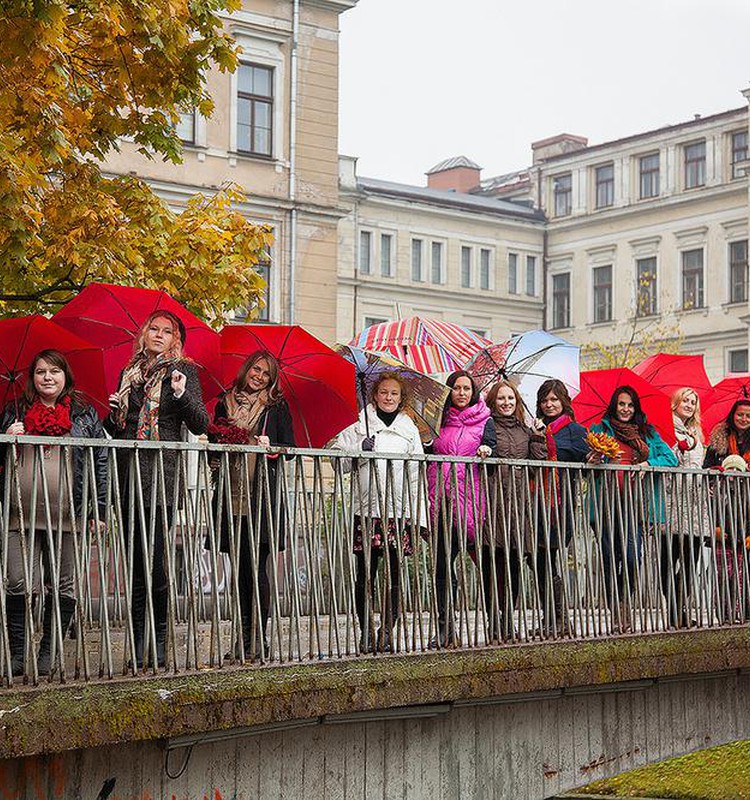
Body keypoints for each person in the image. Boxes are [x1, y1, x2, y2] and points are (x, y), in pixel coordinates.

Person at [105, 310, 208, 669]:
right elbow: (119, 430)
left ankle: (160, 638)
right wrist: (113, 411)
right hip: (128, 477)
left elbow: (200, 422)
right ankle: (137, 643)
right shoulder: (128, 373)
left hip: (161, 478)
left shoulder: (183, 372)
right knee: (136, 563)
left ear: (176, 339)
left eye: (167, 331)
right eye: (154, 328)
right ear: (144, 334)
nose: (159, 335)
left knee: (157, 561)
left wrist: (180, 394)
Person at [1, 350, 107, 677]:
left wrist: (98, 508)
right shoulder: (14, 411)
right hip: (21, 513)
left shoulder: (85, 415)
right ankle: (18, 653)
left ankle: (51, 649)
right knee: (18, 581)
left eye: (55, 371)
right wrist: (8, 438)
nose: (48, 377)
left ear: (66, 377)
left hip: (68, 515)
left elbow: (99, 462)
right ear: (32, 377)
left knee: (63, 585)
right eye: (41, 371)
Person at [208, 350, 295, 660]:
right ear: (246, 370)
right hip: (230, 496)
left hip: (262, 499)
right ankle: (241, 639)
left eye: (266, 374)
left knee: (257, 571)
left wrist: (271, 448)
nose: (259, 376)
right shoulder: (223, 402)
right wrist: (218, 448)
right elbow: (212, 447)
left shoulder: (275, 408)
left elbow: (291, 448)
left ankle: (258, 639)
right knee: (239, 571)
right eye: (256, 370)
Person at [335, 372, 426, 653]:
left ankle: (387, 629)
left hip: (398, 514)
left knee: (395, 574)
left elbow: (416, 476)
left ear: (401, 398)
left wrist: (419, 517)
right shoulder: (359, 425)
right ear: (375, 395)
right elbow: (338, 462)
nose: (389, 397)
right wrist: (358, 449)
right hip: (368, 510)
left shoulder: (409, 428)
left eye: (394, 394)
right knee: (366, 575)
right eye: (384, 392)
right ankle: (366, 631)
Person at [590, 385, 677, 633]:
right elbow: (588, 458)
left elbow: (670, 459)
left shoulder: (647, 433)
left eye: (630, 405)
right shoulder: (599, 429)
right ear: (614, 406)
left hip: (636, 504)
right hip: (606, 503)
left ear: (635, 407)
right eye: (621, 404)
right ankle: (616, 611)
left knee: (631, 556)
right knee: (609, 557)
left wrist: (649, 462)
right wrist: (593, 459)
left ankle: (625, 602)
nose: (626, 409)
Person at [425, 371, 494, 648]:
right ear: (449, 391)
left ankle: (498, 622)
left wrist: (488, 451)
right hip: (440, 499)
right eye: (457, 388)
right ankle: (445, 628)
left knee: (486, 564)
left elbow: (495, 447)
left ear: (473, 392)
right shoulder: (437, 421)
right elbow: (427, 453)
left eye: (467, 388)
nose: (462, 392)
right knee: (442, 566)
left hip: (472, 502)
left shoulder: (485, 421)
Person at [482, 379, 547, 641]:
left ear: (517, 401)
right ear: (493, 402)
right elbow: (485, 457)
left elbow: (536, 465)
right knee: (494, 563)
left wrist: (538, 436)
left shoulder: (525, 428)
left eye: (510, 398)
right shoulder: (487, 426)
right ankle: (494, 619)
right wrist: (485, 452)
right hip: (495, 498)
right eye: (501, 399)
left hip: (520, 502)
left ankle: (509, 617)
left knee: (515, 561)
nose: (506, 403)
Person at [535, 379, 589, 634]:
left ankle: (558, 619)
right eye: (545, 400)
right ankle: (553, 619)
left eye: (554, 399)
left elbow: (585, 459)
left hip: (560, 502)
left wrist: (595, 456)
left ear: (563, 401)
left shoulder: (576, 431)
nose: (549, 404)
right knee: (537, 558)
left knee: (550, 554)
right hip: (535, 503)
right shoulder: (536, 429)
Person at [663, 388, 707, 627]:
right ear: (675, 403)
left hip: (694, 502)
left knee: (692, 557)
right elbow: (665, 456)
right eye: (686, 400)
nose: (689, 405)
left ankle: (679, 606)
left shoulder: (696, 433)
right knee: (668, 558)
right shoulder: (665, 427)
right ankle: (673, 611)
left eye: (693, 402)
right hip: (671, 500)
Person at [703, 398, 750, 622]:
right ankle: (723, 614)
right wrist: (715, 472)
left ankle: (743, 614)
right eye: (740, 414)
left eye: (748, 416)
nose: (744, 419)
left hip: (747, 510)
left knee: (744, 570)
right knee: (723, 568)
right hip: (722, 507)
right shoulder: (719, 440)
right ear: (733, 415)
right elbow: (705, 471)